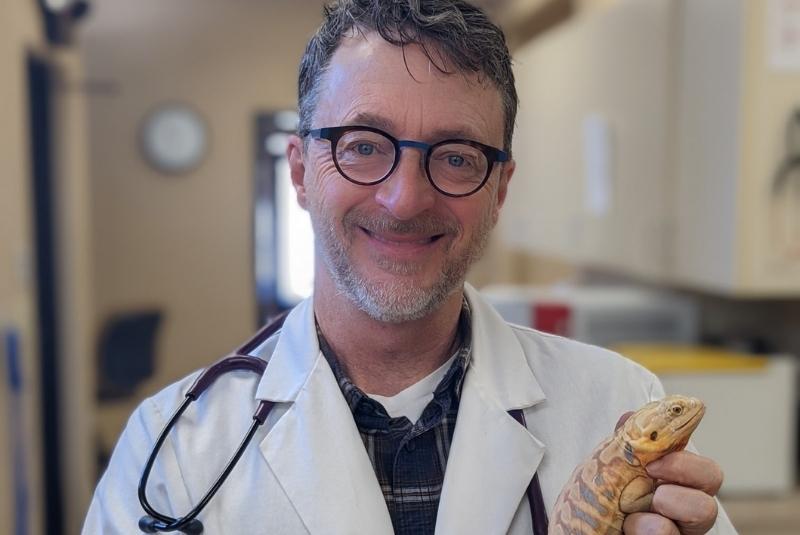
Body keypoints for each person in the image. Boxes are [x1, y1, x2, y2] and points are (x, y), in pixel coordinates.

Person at [83, 1, 737, 534]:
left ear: (499, 190)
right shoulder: (175, 450)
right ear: (301, 173)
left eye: (455, 157)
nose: (405, 199)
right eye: (363, 146)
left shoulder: (618, 405)